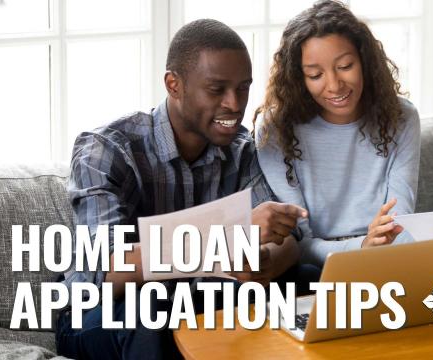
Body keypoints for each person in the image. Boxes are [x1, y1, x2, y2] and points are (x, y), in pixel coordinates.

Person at [56, 19, 317, 360]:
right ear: (173, 84)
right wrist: (230, 237)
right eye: (216, 89)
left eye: (243, 88)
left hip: (195, 301)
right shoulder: (106, 149)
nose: (234, 104)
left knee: (308, 278)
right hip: (104, 311)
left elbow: (291, 238)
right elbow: (103, 269)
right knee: (150, 306)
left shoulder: (240, 149)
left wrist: (266, 261)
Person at [254, 0, 421, 267]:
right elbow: (300, 243)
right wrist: (363, 247)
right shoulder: (275, 128)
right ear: (299, 78)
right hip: (316, 268)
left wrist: (378, 245)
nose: (334, 85)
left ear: (364, 62)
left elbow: (400, 223)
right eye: (315, 74)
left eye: (345, 67)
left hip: (388, 258)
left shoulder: (401, 117)